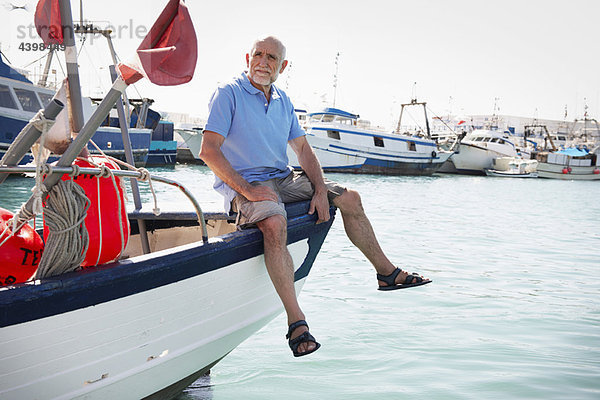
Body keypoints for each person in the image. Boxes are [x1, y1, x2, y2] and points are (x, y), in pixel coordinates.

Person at [199, 36, 431, 358]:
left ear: (283, 66)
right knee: (275, 223)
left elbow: (303, 150)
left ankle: (387, 274)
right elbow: (208, 151)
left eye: (271, 58)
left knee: (350, 198)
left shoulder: (282, 100)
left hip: (282, 177)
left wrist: (320, 190)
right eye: (258, 55)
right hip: (247, 183)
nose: (263, 62)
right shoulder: (229, 93)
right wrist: (248, 190)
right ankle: (297, 323)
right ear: (248, 57)